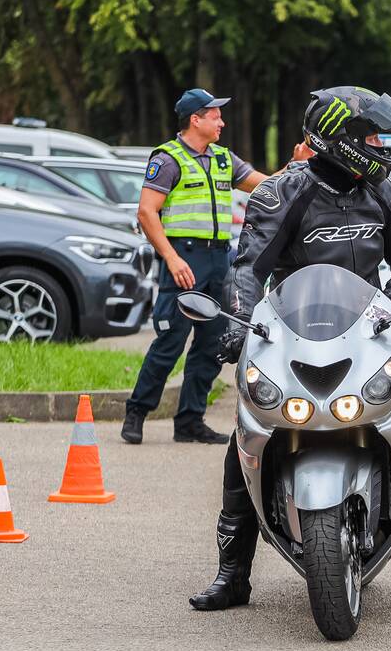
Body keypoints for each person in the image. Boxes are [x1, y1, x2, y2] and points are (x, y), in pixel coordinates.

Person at [189, 86, 391, 610]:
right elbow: (248, 268)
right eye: (372, 135)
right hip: (291, 335)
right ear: (339, 138)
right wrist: (240, 326)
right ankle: (233, 574)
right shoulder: (282, 193)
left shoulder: (383, 190)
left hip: (370, 332)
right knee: (250, 432)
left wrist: (389, 306)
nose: (382, 145)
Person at [121, 88, 307, 445]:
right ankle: (137, 413)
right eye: (215, 116)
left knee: (211, 345)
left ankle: (190, 421)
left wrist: (295, 163)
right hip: (184, 258)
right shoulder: (169, 158)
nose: (221, 121)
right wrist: (172, 259)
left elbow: (266, 186)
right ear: (196, 119)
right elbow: (146, 212)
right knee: (170, 342)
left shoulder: (223, 158)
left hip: (218, 259)